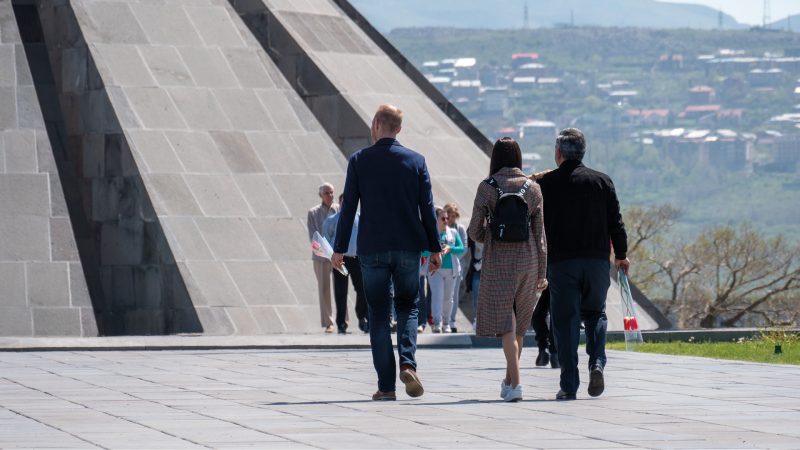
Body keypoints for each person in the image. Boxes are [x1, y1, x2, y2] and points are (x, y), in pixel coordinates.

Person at [332, 104, 442, 401]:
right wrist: (434, 248)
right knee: (408, 306)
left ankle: (386, 387)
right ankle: (408, 363)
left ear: (377, 124)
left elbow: (348, 208)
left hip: (373, 248)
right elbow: (427, 209)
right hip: (408, 247)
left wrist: (339, 248)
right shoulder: (416, 161)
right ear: (399, 129)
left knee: (379, 314)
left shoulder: (359, 160)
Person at [535, 128, 629, 401]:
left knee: (565, 321)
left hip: (562, 262)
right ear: (583, 152)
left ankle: (569, 385)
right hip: (597, 261)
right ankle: (597, 363)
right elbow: (616, 222)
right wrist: (621, 254)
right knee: (596, 313)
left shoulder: (546, 184)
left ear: (558, 153)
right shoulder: (602, 181)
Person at [467, 137, 547, 402]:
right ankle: (509, 381)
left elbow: (474, 230)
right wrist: (542, 272)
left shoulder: (487, 187)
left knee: (507, 326)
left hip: (499, 261)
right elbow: (540, 235)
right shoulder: (533, 188)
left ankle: (517, 386)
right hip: (529, 260)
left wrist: (491, 235)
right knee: (519, 328)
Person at [323, 194, 368, 334]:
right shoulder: (332, 220)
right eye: (344, 202)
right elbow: (325, 240)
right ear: (340, 203)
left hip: (357, 259)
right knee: (341, 292)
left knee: (362, 289)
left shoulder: (361, 218)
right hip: (340, 260)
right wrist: (331, 256)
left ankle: (362, 318)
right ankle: (341, 323)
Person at [424, 207, 464, 333]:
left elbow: (461, 248)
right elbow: (422, 251)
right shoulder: (429, 233)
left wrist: (450, 248)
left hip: (451, 270)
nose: (446, 221)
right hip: (435, 270)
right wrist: (434, 251)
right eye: (443, 218)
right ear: (435, 220)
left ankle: (446, 323)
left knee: (448, 297)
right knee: (437, 296)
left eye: (447, 218)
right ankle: (437, 323)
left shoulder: (453, 232)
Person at [307, 182, 338, 333]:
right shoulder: (313, 213)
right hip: (321, 257)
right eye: (326, 193)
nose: (330, 195)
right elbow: (314, 236)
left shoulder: (339, 209)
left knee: (341, 289)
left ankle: (343, 322)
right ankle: (328, 323)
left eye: (331, 192)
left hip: (338, 255)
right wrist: (327, 252)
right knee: (324, 289)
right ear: (320, 195)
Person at [443, 203, 468, 332]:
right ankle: (441, 320)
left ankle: (451, 320)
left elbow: (464, 247)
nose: (451, 219)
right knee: (440, 293)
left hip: (456, 265)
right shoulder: (441, 227)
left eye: (453, 216)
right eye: (449, 216)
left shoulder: (459, 228)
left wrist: (453, 256)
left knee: (453, 294)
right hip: (441, 265)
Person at [530, 287, 559, 368]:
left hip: (538, 281)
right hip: (557, 280)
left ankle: (543, 347)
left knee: (538, 312)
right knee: (555, 313)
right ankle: (555, 353)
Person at [464, 237, 483, 331]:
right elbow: (465, 247)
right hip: (477, 269)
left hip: (492, 268)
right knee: (476, 297)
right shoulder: (472, 233)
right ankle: (478, 320)